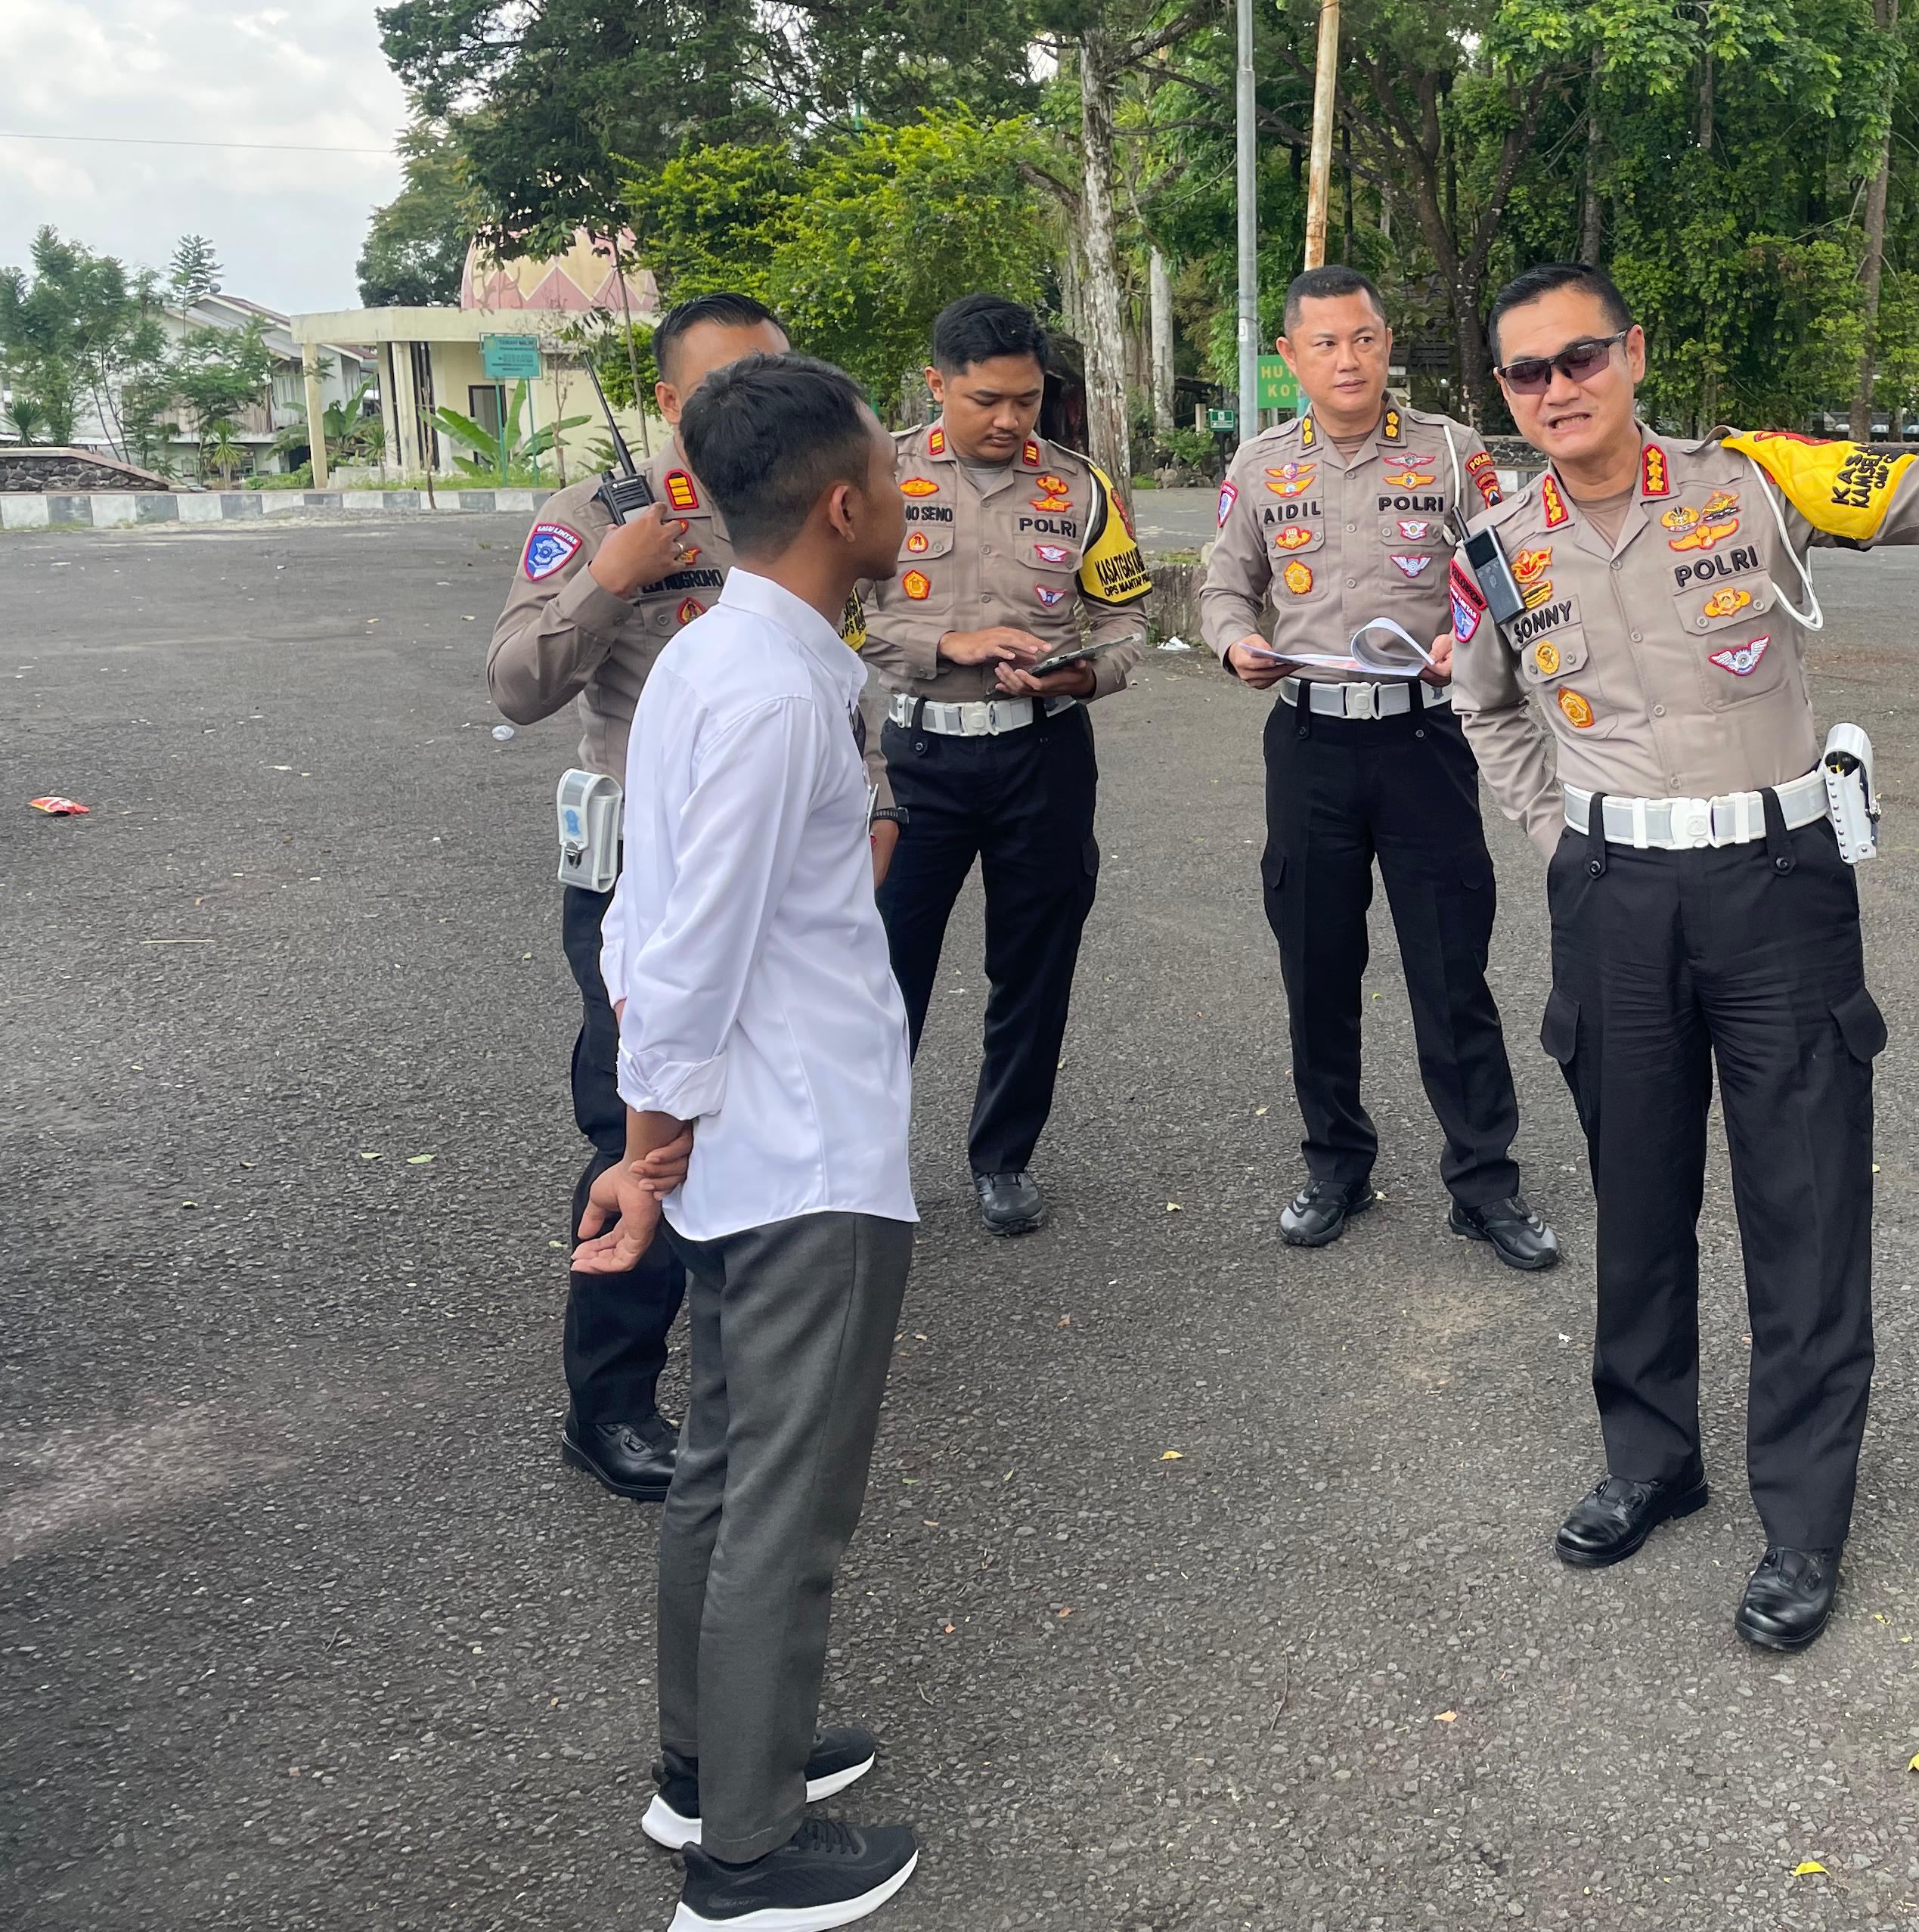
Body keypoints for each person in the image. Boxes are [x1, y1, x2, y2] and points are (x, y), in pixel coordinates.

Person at [1450, 260, 1919, 1652]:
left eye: (1582, 357)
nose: (1559, 388)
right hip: (1614, 892)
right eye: (1528, 372)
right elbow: (1483, 704)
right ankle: (1651, 1458)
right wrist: (1559, 833)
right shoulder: (1496, 541)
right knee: (1638, 1183)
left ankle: (1801, 1518)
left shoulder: (1753, 481)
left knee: (1802, 1198)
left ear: (1634, 352)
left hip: (1772, 885)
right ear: (1505, 393)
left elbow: (1915, 492)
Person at [574, 352, 923, 1930]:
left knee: (724, 1469)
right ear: (842, 507)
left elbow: (650, 923)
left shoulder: (726, 657)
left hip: (749, 1146)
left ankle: (710, 1765)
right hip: (795, 1155)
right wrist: (648, 1162)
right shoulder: (776, 688)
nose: (909, 495)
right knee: (785, 1494)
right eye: (895, 475)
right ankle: (748, 1858)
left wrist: (658, 1151)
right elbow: (692, 954)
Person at [488, 291, 901, 1502]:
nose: (756, 403)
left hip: (785, 868)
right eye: (726, 382)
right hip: (640, 874)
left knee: (744, 1130)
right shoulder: (599, 520)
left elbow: (834, 687)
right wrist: (611, 584)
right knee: (644, 1125)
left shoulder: (787, 508)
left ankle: (745, 1353)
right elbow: (517, 685)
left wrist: (872, 816)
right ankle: (614, 1399)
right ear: (671, 404)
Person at [1199, 265, 1557, 1267]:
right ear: (1291, 359)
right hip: (1310, 739)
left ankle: (1483, 1183)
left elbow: (1510, 572)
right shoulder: (1265, 465)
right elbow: (1224, 589)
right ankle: (1335, 1166)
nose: (1347, 359)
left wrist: (1471, 639)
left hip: (1423, 739)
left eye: (1363, 339)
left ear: (1386, 343)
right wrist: (1235, 644)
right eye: (1324, 344)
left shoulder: (1451, 450)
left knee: (1451, 966)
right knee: (1317, 965)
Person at [857, 294, 1152, 1236]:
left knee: (1034, 966)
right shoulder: (875, 477)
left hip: (1045, 757)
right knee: (880, 970)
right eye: (986, 399)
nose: (1010, 421)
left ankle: (1003, 1158)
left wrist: (1080, 675)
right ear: (936, 383)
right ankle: (861, 1167)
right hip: (914, 760)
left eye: (1026, 399)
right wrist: (953, 641)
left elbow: (1126, 622)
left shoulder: (1081, 487)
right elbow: (842, 615)